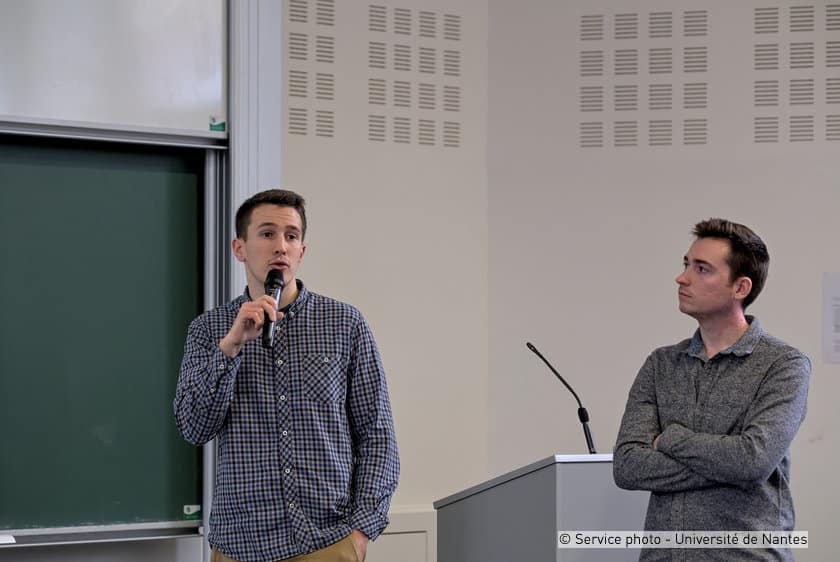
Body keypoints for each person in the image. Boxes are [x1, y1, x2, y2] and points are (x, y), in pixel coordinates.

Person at [174, 189, 399, 562]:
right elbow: (194, 427)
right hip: (240, 545)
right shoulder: (209, 329)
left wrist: (360, 532)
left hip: (327, 541)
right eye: (267, 234)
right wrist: (230, 346)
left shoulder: (344, 324)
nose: (281, 246)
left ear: (301, 251)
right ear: (239, 248)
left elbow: (377, 435)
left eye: (291, 236)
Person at [613, 218, 810, 561]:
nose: (682, 278)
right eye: (686, 264)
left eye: (702, 269)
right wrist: (726, 465)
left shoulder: (784, 364)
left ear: (740, 287)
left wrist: (669, 439)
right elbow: (628, 466)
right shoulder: (661, 364)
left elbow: (752, 461)